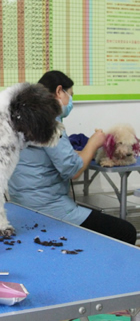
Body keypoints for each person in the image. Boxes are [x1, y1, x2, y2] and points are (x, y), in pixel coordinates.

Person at [8, 70, 137, 245]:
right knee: (126, 231)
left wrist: (79, 152)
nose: (71, 101)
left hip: (21, 205)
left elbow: (44, 155)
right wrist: (93, 143)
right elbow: (72, 170)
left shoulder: (22, 118)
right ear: (59, 91)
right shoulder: (49, 123)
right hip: (49, 209)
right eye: (71, 95)